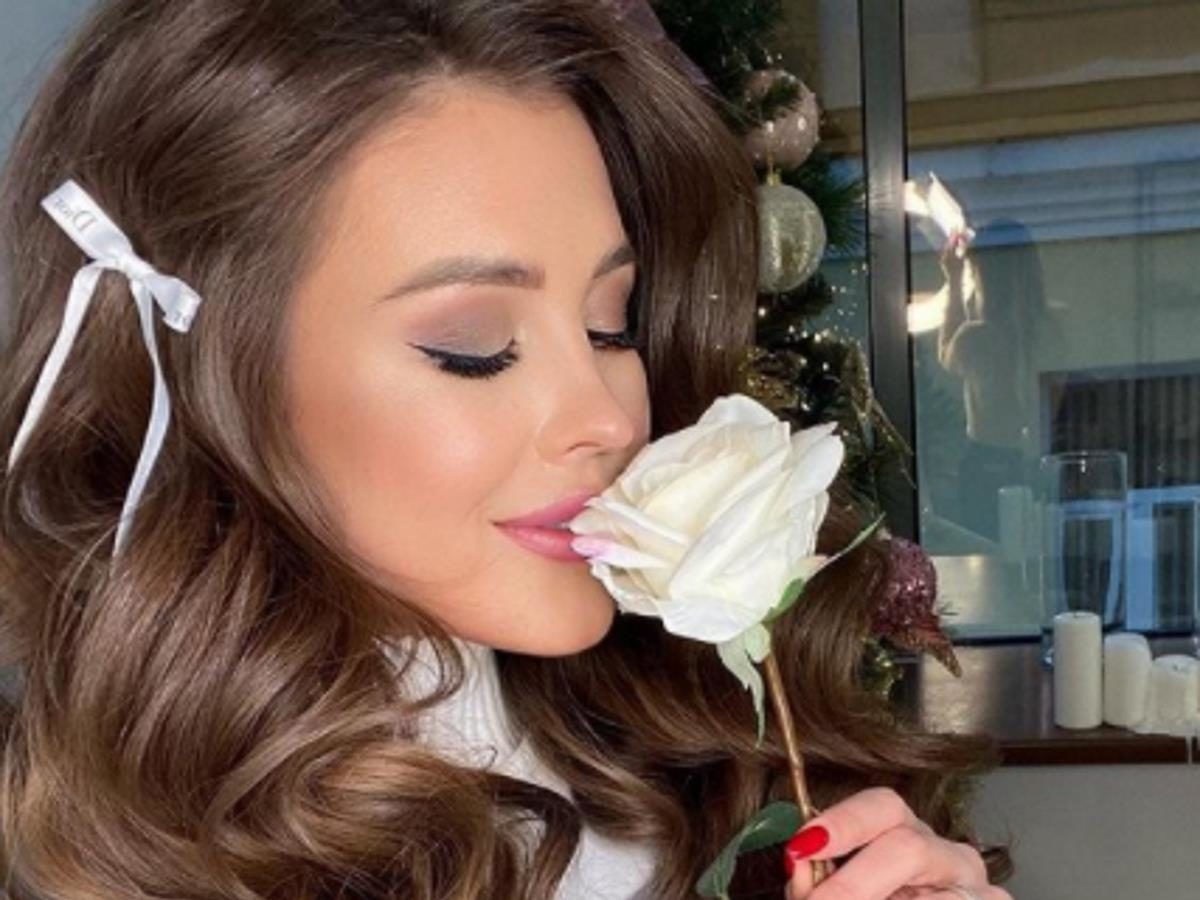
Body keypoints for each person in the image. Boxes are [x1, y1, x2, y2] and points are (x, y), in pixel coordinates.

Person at [0, 2, 1011, 898]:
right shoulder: (126, 858)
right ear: (215, 387)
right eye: (474, 348)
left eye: (611, 326)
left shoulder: (702, 769)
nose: (608, 419)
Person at [938, 219, 1065, 541]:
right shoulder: (1049, 331)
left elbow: (947, 356)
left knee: (985, 551)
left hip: (986, 462)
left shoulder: (978, 337)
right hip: (1038, 461)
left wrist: (954, 280)